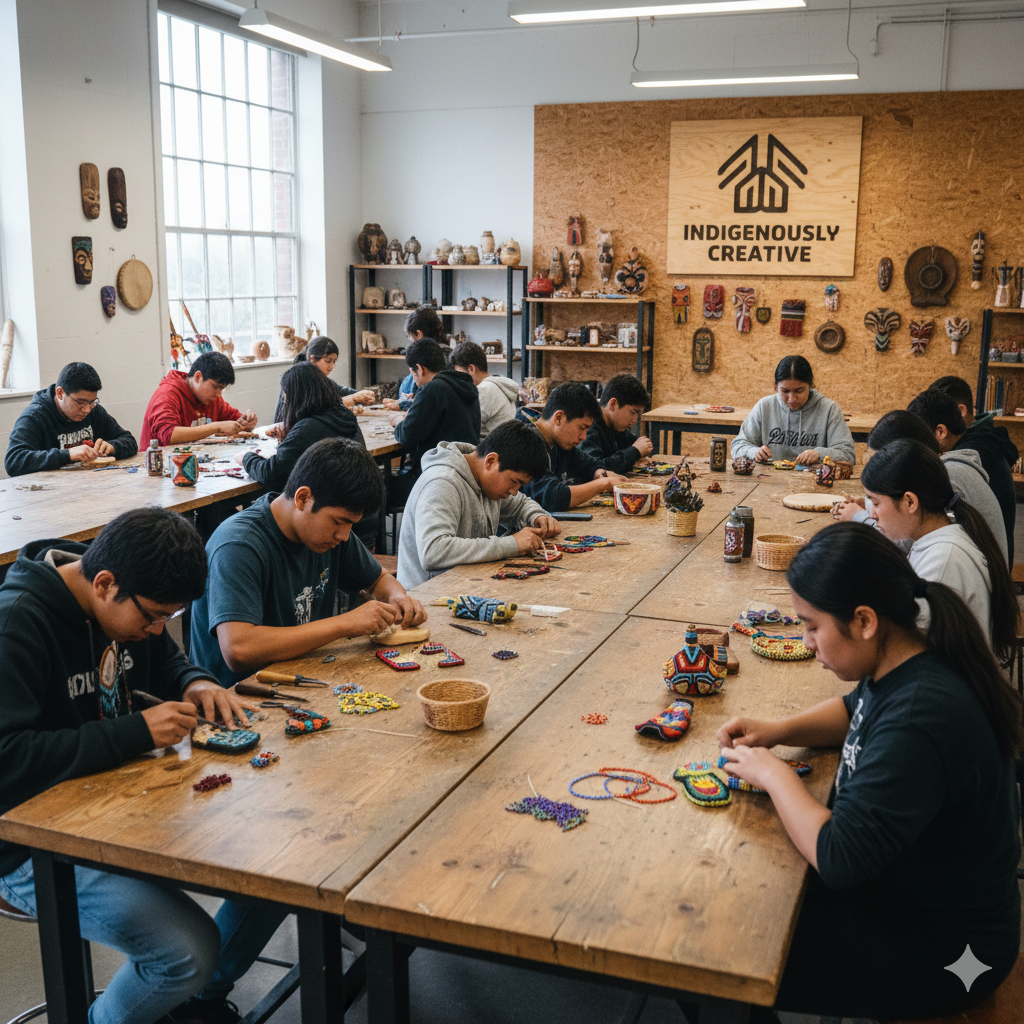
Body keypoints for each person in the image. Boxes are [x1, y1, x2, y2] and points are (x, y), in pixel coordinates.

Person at [718, 523, 1022, 1020]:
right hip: (917, 906)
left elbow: (840, 856)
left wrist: (774, 775)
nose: (806, 640)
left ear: (863, 621)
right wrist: (777, 730)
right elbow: (854, 708)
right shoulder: (904, 657)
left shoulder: (919, 717)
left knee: (731, 948)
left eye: (812, 625)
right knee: (748, 902)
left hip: (951, 956)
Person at [0, 507, 285, 1024]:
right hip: (24, 845)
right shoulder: (16, 622)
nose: (158, 631)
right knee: (188, 951)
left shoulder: (119, 600)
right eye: (153, 616)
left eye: (169, 620)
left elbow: (160, 660)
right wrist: (134, 732)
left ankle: (186, 1005)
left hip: (104, 807)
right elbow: (7, 760)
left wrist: (194, 680)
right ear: (105, 583)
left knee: (281, 861)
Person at [190, 437, 426, 687]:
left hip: (303, 675)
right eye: (339, 521)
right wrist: (345, 624)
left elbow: (378, 579)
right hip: (240, 696)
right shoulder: (239, 545)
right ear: (302, 498)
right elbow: (239, 649)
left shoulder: (328, 534)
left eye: (351, 524)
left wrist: (398, 597)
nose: (344, 535)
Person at [860, 438, 1016, 663]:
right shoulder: (937, 539)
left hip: (948, 692)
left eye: (875, 503)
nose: (872, 514)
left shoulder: (943, 561)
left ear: (910, 502)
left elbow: (905, 653)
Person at [397, 419, 561, 589]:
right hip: (426, 599)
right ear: (491, 461)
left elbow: (520, 504)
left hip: (467, 587)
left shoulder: (486, 480)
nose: (514, 491)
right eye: (514, 481)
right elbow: (433, 551)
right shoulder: (442, 482)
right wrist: (512, 544)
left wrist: (537, 515)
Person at [832, 409, 1009, 565]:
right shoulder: (937, 471)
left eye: (884, 464)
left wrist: (858, 516)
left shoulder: (948, 479)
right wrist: (871, 503)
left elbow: (904, 541)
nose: (880, 474)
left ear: (906, 455)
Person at [906, 388, 1016, 563]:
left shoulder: (955, 470)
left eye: (918, 437)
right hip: (994, 568)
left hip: (988, 576)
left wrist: (862, 516)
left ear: (941, 432)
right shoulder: (973, 447)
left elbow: (915, 534)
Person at [386, 338, 481, 506]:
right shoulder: (464, 386)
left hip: (433, 478)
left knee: (377, 489)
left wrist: (398, 423)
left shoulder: (431, 390)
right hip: (463, 474)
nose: (414, 380)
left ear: (420, 369)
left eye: (412, 373)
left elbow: (407, 436)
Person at [5, 361, 137, 476]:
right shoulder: (35, 417)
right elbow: (13, 461)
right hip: (49, 495)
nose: (86, 409)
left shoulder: (94, 411)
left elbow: (129, 441)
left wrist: (112, 447)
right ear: (60, 393)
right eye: (80, 402)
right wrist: (67, 455)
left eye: (92, 401)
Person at [517, 381, 629, 510]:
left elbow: (590, 465)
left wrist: (599, 473)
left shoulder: (560, 443)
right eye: (581, 427)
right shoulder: (527, 445)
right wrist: (604, 483)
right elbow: (553, 498)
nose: (583, 437)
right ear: (559, 418)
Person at [731, 355, 854, 465]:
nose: (792, 398)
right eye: (784, 391)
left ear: (811, 386)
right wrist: (754, 452)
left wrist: (819, 454)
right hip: (769, 480)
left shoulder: (829, 409)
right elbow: (737, 446)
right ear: (775, 387)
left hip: (813, 482)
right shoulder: (765, 406)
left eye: (799, 391)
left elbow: (848, 455)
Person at [141, 352, 257, 446]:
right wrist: (215, 427)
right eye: (216, 387)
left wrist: (247, 423)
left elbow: (235, 421)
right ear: (198, 377)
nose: (219, 394)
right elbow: (168, 435)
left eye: (222, 388)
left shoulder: (212, 398)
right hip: (157, 468)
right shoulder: (167, 394)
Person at [269, 335, 374, 430]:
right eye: (328, 361)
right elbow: (312, 409)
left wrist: (359, 395)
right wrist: (345, 400)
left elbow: (337, 390)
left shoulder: (320, 380)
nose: (331, 367)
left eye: (334, 362)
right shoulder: (298, 380)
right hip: (289, 428)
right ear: (313, 359)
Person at [579, 373, 654, 474]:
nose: (635, 420)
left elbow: (633, 443)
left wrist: (642, 447)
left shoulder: (616, 425)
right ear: (613, 405)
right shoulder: (587, 428)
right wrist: (635, 451)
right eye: (632, 412)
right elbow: (595, 469)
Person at [383, 306, 448, 413]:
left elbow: (435, 403)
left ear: (419, 334)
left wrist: (406, 403)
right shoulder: (449, 353)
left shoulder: (434, 358)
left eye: (412, 339)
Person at [450, 340, 518, 439]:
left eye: (459, 373)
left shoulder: (485, 390)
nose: (458, 380)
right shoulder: (496, 385)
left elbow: (459, 425)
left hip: (493, 450)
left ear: (471, 369)